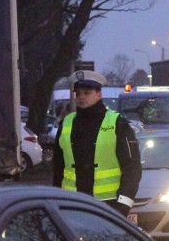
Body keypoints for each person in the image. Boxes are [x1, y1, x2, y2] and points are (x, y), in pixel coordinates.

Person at [53, 70, 141, 216]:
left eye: (86, 93)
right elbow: (58, 168)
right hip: (72, 204)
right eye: (78, 93)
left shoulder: (118, 124)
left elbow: (132, 168)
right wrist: (55, 201)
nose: (81, 97)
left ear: (99, 94)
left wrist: (123, 206)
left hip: (108, 206)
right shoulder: (66, 123)